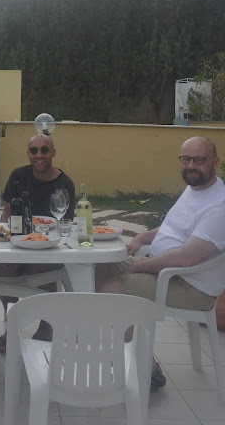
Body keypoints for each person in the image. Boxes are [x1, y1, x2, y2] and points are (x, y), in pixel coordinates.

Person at [96, 136, 225, 390]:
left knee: (108, 287)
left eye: (199, 160)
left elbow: (186, 257)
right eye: (185, 159)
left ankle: (145, 365)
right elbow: (173, 229)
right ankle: (128, 348)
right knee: (97, 266)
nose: (191, 166)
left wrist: (138, 266)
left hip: (191, 287)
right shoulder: (195, 190)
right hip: (166, 271)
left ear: (216, 162)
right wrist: (141, 238)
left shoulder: (219, 205)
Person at [0, 133, 76, 353]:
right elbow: (7, 212)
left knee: (38, 267)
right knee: (1, 267)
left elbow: (64, 223)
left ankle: (46, 326)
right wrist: (2, 242)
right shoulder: (18, 175)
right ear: (28, 153)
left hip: (48, 247)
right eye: (34, 150)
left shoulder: (65, 183)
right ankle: (14, 325)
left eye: (44, 150)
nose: (39, 155)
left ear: (53, 152)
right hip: (19, 242)